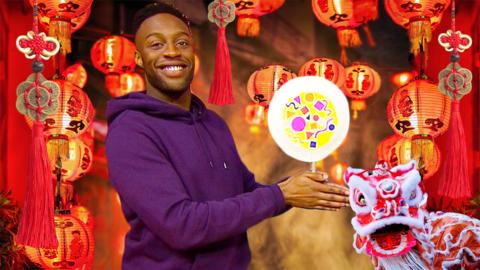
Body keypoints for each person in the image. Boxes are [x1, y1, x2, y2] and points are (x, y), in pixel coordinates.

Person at [105, 2, 350, 269]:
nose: (172, 52)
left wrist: (298, 188)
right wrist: (281, 194)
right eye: (156, 44)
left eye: (182, 42)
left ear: (193, 50)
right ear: (139, 58)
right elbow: (181, 226)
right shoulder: (131, 130)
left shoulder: (213, 124)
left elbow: (248, 194)